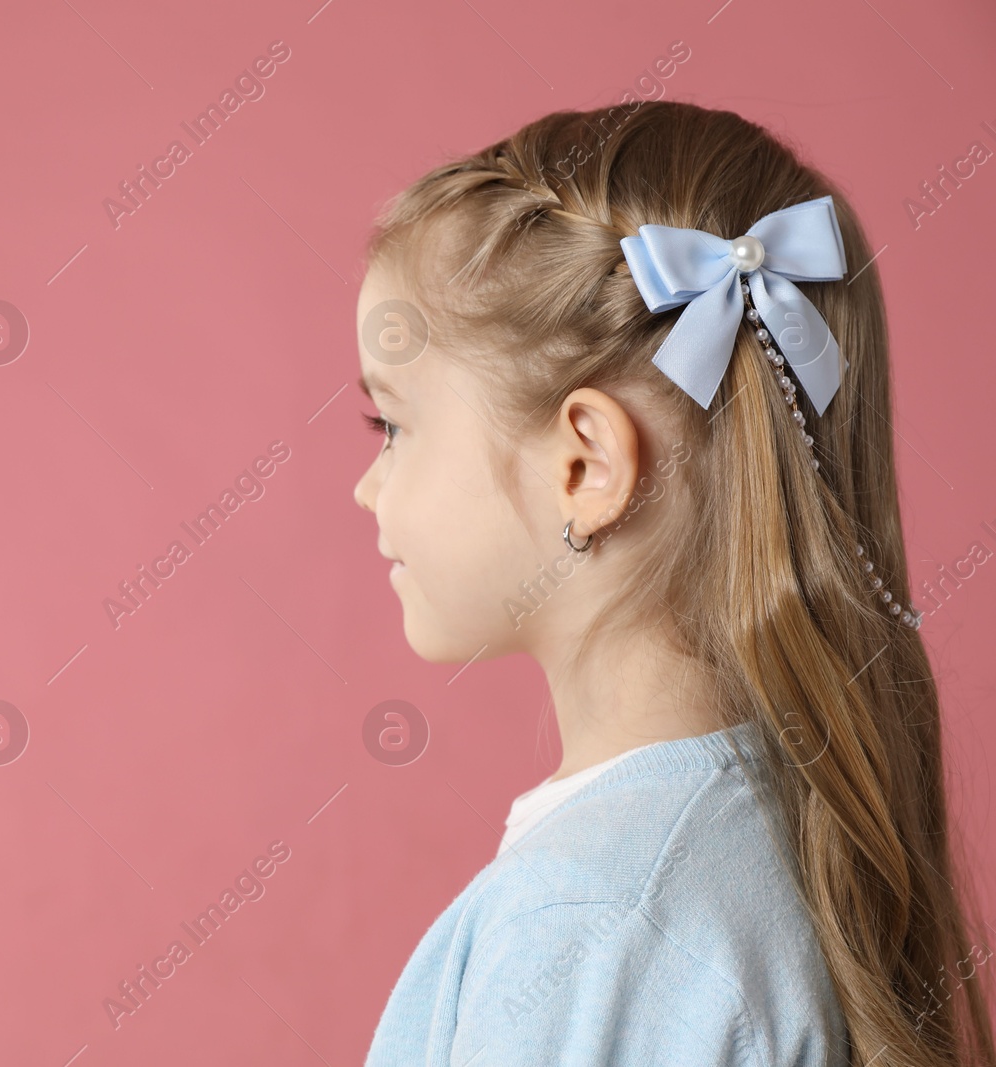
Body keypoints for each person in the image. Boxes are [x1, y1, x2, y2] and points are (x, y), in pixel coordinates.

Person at [352, 101, 994, 1067]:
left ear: (585, 465)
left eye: (392, 426)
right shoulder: (779, 824)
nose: (368, 486)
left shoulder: (593, 927)